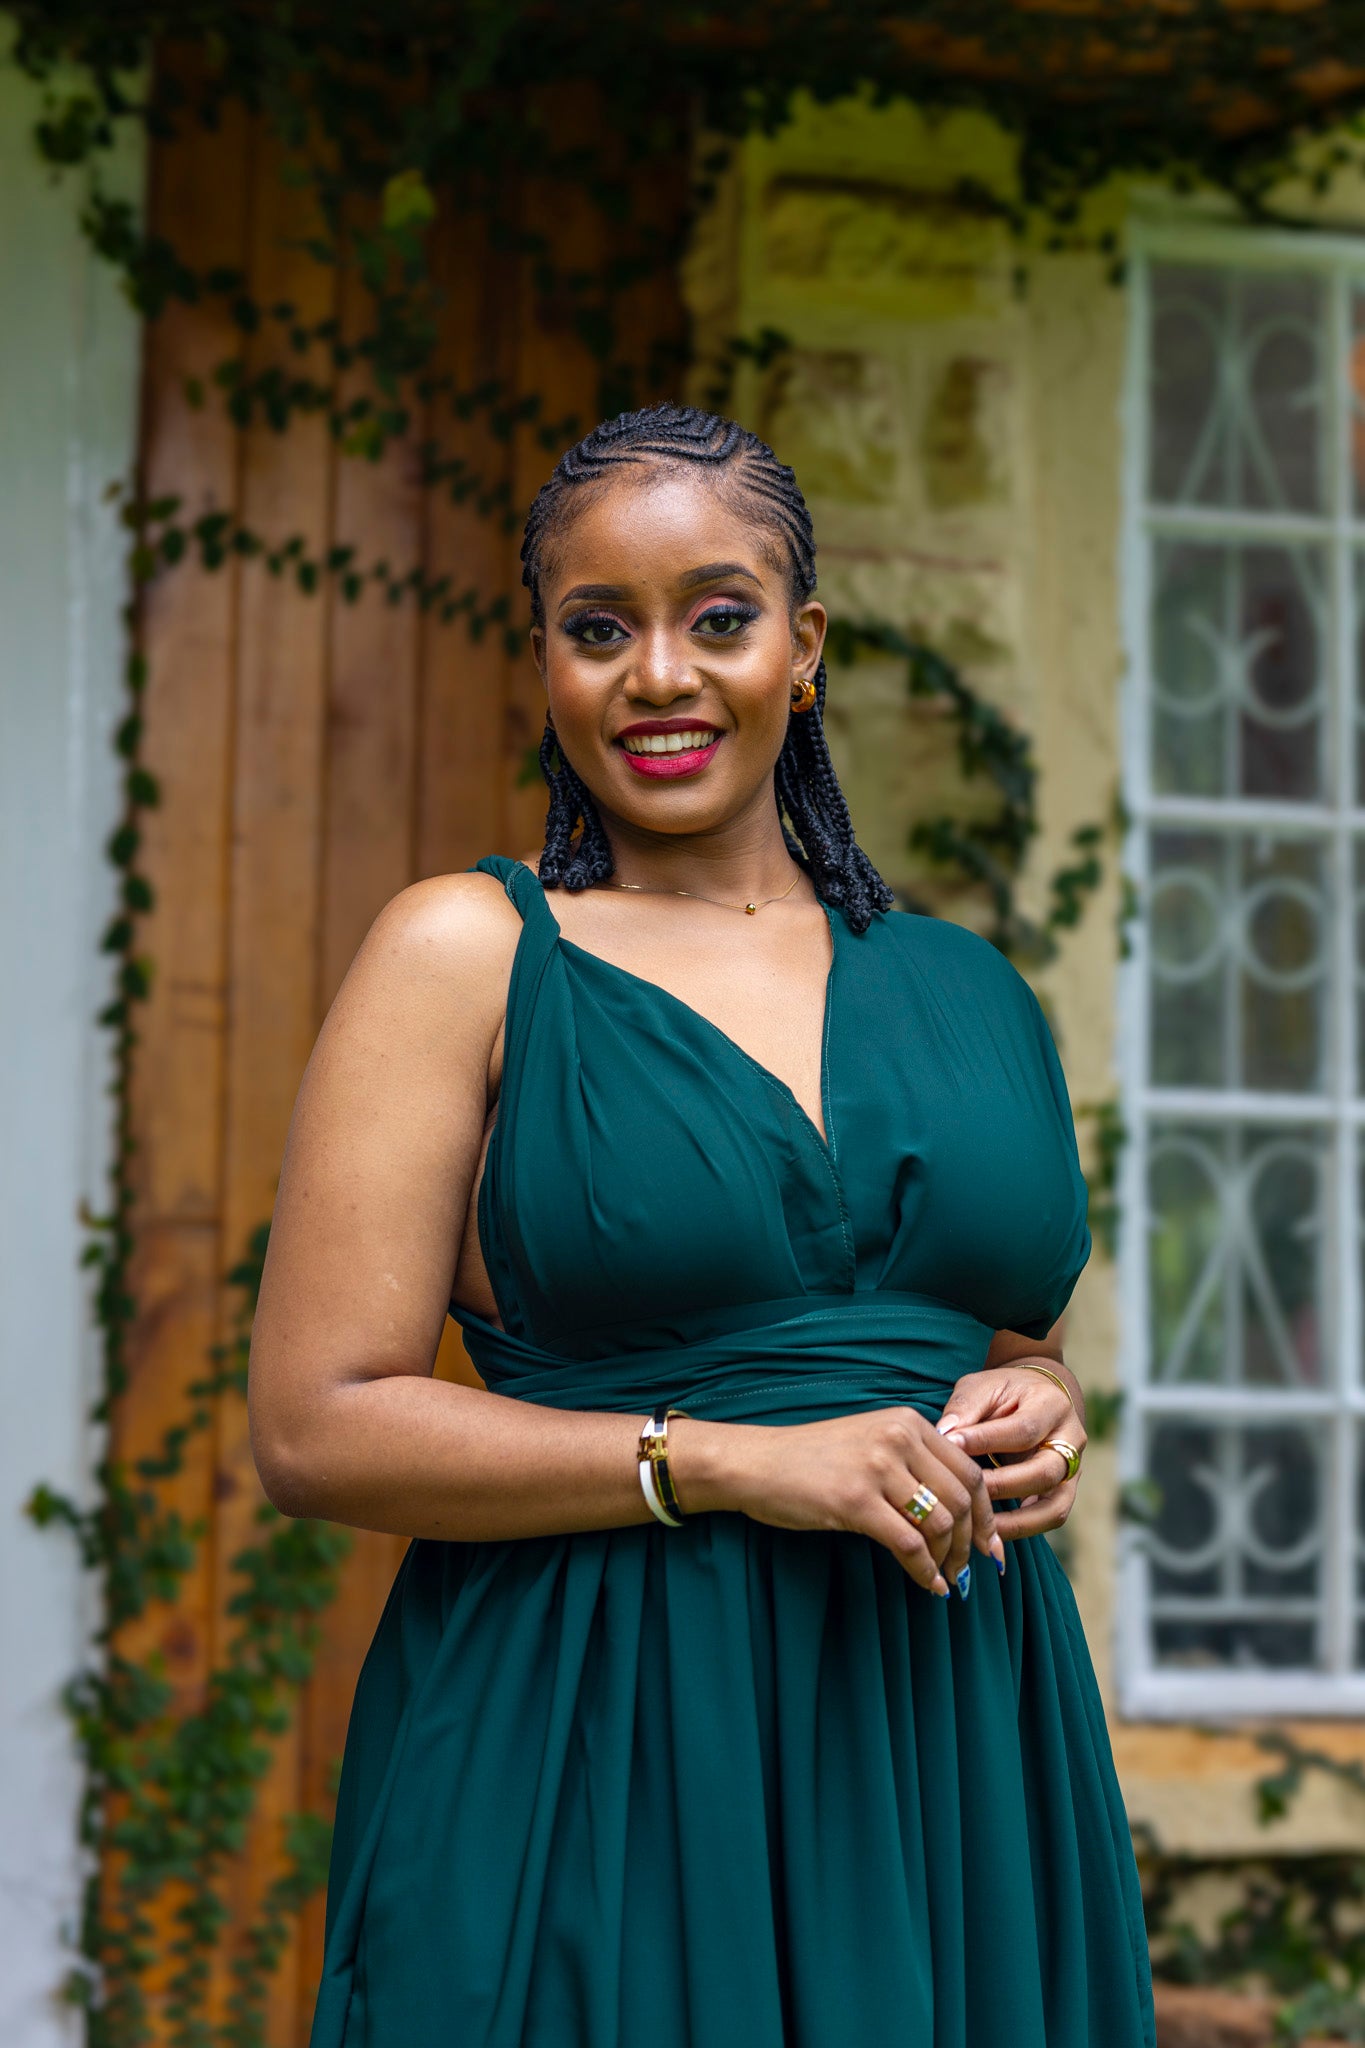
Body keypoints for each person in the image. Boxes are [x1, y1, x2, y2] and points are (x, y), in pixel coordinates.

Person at [248, 403, 1155, 2048]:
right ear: (543, 659)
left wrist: (1043, 1406)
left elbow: (1003, 1339)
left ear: (803, 648)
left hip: (951, 1740)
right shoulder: (469, 954)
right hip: (601, 1733)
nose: (657, 676)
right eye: (598, 630)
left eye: (717, 618)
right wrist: (726, 1460)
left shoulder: (966, 989)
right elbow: (318, 1427)